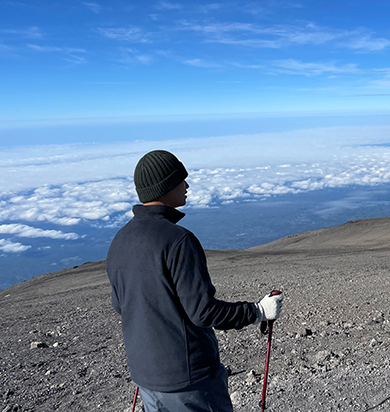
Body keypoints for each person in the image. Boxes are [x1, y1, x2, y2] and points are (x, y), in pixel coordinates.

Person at [106, 149, 283, 412]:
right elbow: (203, 312)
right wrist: (258, 311)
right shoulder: (179, 241)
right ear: (165, 186)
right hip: (189, 380)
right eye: (181, 180)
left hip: (146, 381)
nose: (186, 186)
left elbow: (122, 305)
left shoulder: (120, 240)